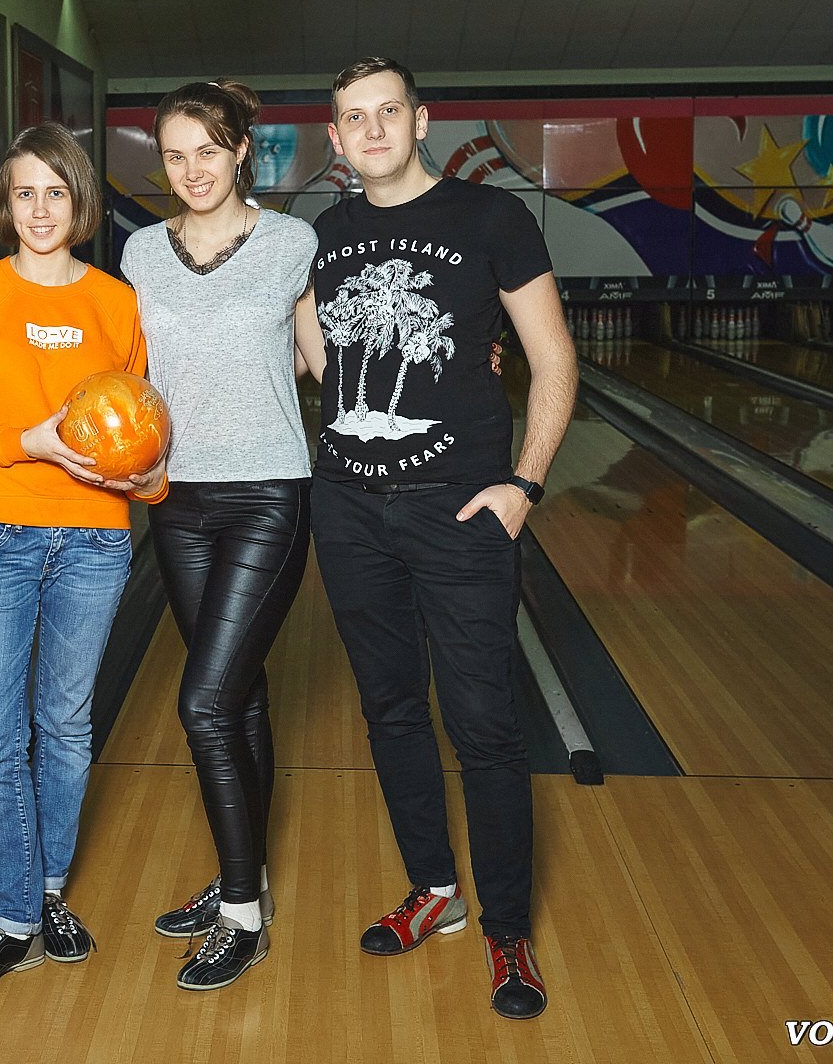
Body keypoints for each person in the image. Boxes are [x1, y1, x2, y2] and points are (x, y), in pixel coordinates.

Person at [307, 56, 576, 1021]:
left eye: (389, 111)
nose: (373, 129)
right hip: (349, 510)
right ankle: (434, 889)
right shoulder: (322, 237)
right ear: (334, 139)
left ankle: (506, 929)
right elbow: (321, 357)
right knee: (390, 709)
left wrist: (524, 485)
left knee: (484, 723)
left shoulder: (492, 218)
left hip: (461, 512)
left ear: (421, 121)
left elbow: (552, 356)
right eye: (354, 118)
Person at [0, 123, 156, 997]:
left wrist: (149, 478)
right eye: (24, 192)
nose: (40, 209)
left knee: (65, 727)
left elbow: (144, 433)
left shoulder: (116, 303)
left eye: (56, 192)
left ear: (81, 202)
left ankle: (47, 891)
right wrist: (32, 442)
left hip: (95, 540)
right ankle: (13, 919)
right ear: (5, 204)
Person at [118, 80, 325, 991]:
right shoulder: (139, 253)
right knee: (237, 698)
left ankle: (242, 913)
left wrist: (445, 369)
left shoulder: (292, 244)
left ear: (242, 149)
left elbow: (324, 359)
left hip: (267, 496)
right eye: (174, 155)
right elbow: (131, 373)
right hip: (176, 502)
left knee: (202, 703)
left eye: (208, 150)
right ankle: (246, 877)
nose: (192, 169)